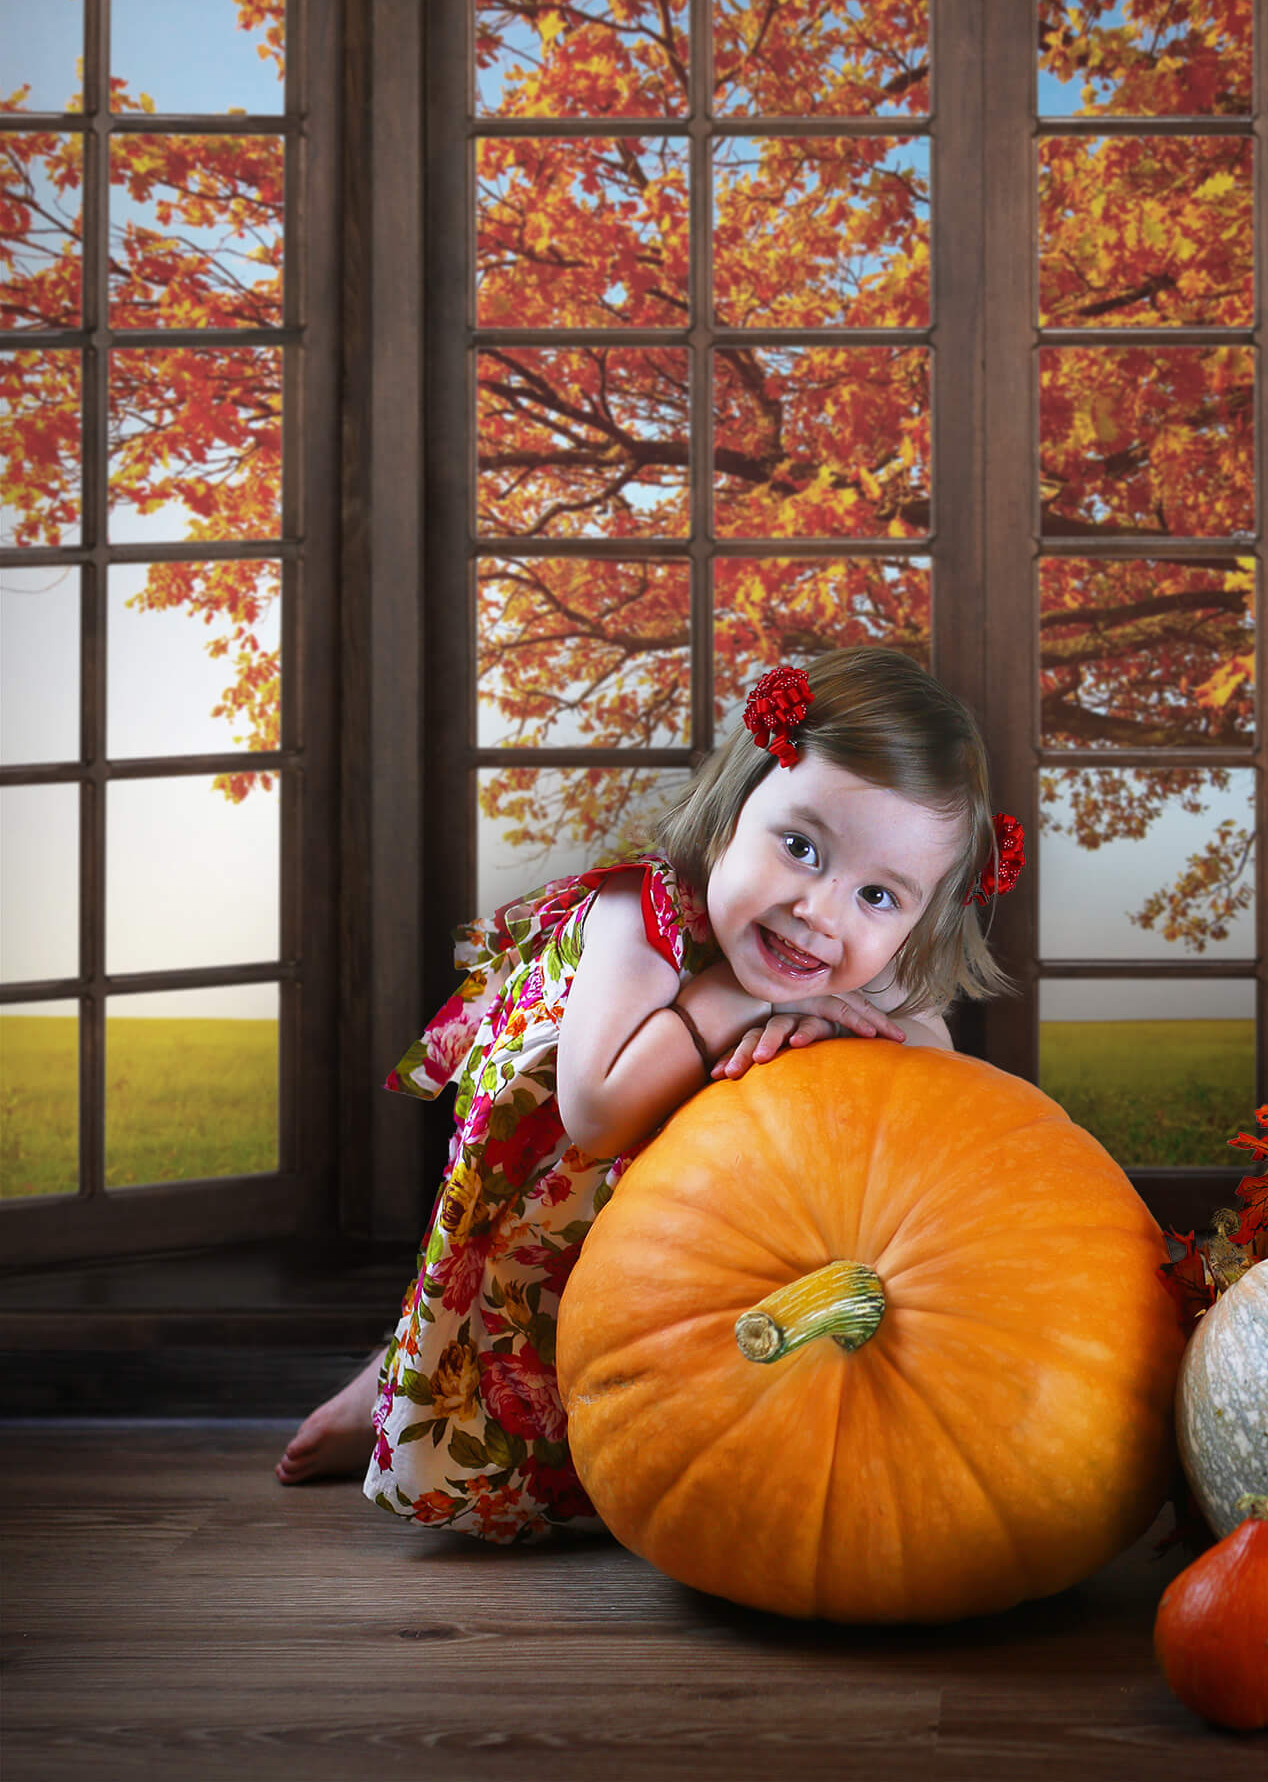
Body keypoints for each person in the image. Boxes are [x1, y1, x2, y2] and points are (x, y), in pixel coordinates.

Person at [275, 646, 1022, 1541]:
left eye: (877, 895)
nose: (821, 911)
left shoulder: (866, 965)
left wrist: (838, 1027)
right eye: (799, 847)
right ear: (734, 808)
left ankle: (400, 1368)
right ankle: (388, 1390)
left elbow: (936, 1070)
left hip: (698, 1226)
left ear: (923, 914)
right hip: (563, 1186)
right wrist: (735, 996)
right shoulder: (641, 918)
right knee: (502, 1341)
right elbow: (595, 1113)